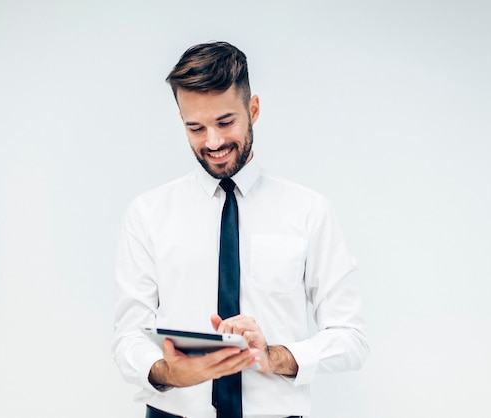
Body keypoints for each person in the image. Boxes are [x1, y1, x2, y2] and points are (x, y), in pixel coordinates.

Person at [112, 41, 369, 418]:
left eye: (225, 122)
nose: (213, 142)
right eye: (195, 127)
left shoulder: (309, 211)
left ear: (254, 109)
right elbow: (127, 337)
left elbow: (352, 338)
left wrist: (272, 356)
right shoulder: (147, 213)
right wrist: (167, 371)